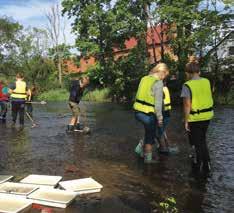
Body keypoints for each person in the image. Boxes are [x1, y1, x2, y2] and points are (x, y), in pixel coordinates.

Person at [181, 57, 214, 173]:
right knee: (202, 140)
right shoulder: (206, 81)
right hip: (207, 116)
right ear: (198, 71)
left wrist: (186, 121)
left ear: (187, 73)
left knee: (197, 142)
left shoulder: (187, 85)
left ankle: (199, 164)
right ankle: (207, 164)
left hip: (195, 118)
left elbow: (187, 105)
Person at [133, 63, 169, 163]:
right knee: (150, 136)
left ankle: (140, 152)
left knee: (148, 131)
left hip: (137, 112)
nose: (164, 78)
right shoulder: (158, 83)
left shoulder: (144, 78)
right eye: (165, 75)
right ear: (162, 72)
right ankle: (148, 159)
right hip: (148, 114)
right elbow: (158, 104)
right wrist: (160, 118)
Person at [157, 80, 172, 153]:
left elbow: (160, 104)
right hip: (167, 113)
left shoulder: (160, 90)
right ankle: (167, 145)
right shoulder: (165, 88)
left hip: (163, 113)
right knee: (162, 130)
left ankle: (163, 148)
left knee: (158, 132)